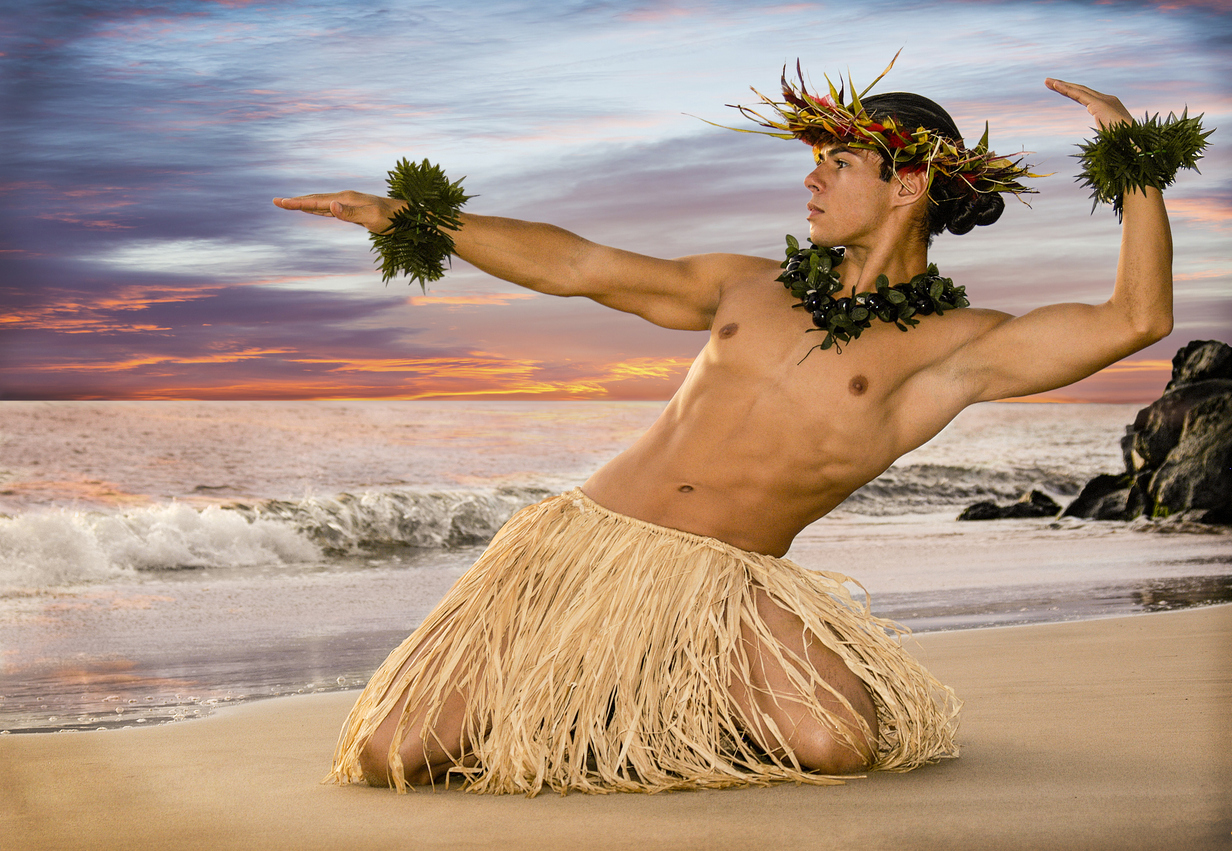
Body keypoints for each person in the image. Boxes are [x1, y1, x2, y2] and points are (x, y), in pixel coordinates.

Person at [272, 76, 1175, 795]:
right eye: (813, 161)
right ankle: (590, 694)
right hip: (582, 549)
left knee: (835, 742)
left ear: (908, 183)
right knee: (391, 755)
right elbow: (582, 264)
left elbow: (1135, 317)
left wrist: (1130, 152)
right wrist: (419, 220)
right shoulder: (750, 287)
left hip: (723, 590)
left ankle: (654, 691)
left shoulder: (957, 348)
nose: (811, 178)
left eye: (838, 162)